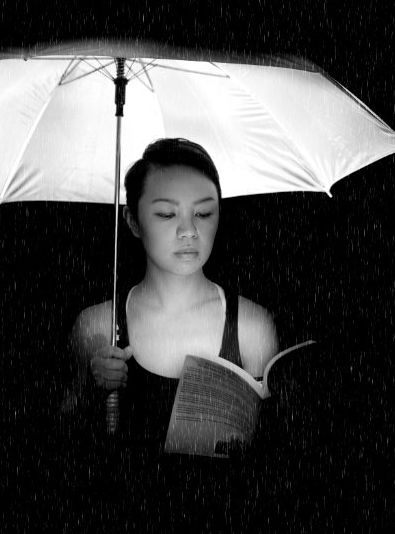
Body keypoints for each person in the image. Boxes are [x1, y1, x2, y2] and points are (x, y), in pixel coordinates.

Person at [63, 137, 280, 452]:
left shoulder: (251, 326)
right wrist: (90, 395)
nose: (188, 230)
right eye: (166, 214)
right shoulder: (98, 325)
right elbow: (58, 441)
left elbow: (272, 449)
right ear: (132, 221)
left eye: (203, 213)